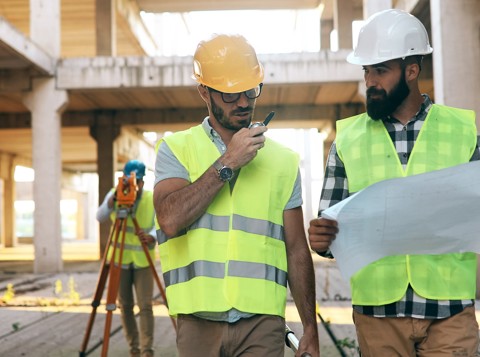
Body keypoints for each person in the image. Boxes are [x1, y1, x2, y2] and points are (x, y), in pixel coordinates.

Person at [308, 9, 480, 357]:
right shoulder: (348, 139)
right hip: (378, 315)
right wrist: (321, 239)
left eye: (380, 70)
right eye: (367, 70)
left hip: (449, 311)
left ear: (412, 70)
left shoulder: (463, 131)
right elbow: (329, 229)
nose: (370, 81)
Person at [153, 33, 319, 357]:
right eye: (230, 94)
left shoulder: (284, 161)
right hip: (197, 321)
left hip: (263, 324)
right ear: (204, 90)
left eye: (250, 90)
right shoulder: (176, 149)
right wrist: (228, 161)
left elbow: (297, 248)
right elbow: (170, 220)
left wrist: (310, 327)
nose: (243, 102)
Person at [97, 160, 156, 357]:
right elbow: (100, 216)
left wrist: (153, 237)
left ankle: (147, 351)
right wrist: (112, 201)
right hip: (119, 260)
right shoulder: (116, 192)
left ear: (142, 182)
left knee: (146, 306)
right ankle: (134, 350)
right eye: (130, 180)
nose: (134, 185)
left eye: (137, 181)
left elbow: (160, 223)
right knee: (125, 306)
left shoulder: (150, 197)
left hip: (143, 260)